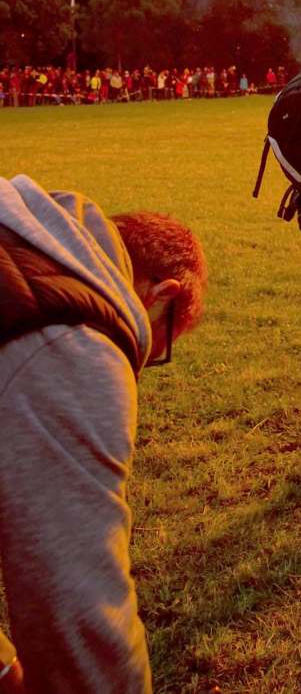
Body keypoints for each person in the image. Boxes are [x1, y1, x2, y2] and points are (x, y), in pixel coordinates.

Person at [0, 173, 208, 693]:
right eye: (160, 347)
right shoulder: (75, 345)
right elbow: (78, 616)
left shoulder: (27, 239)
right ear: (162, 295)